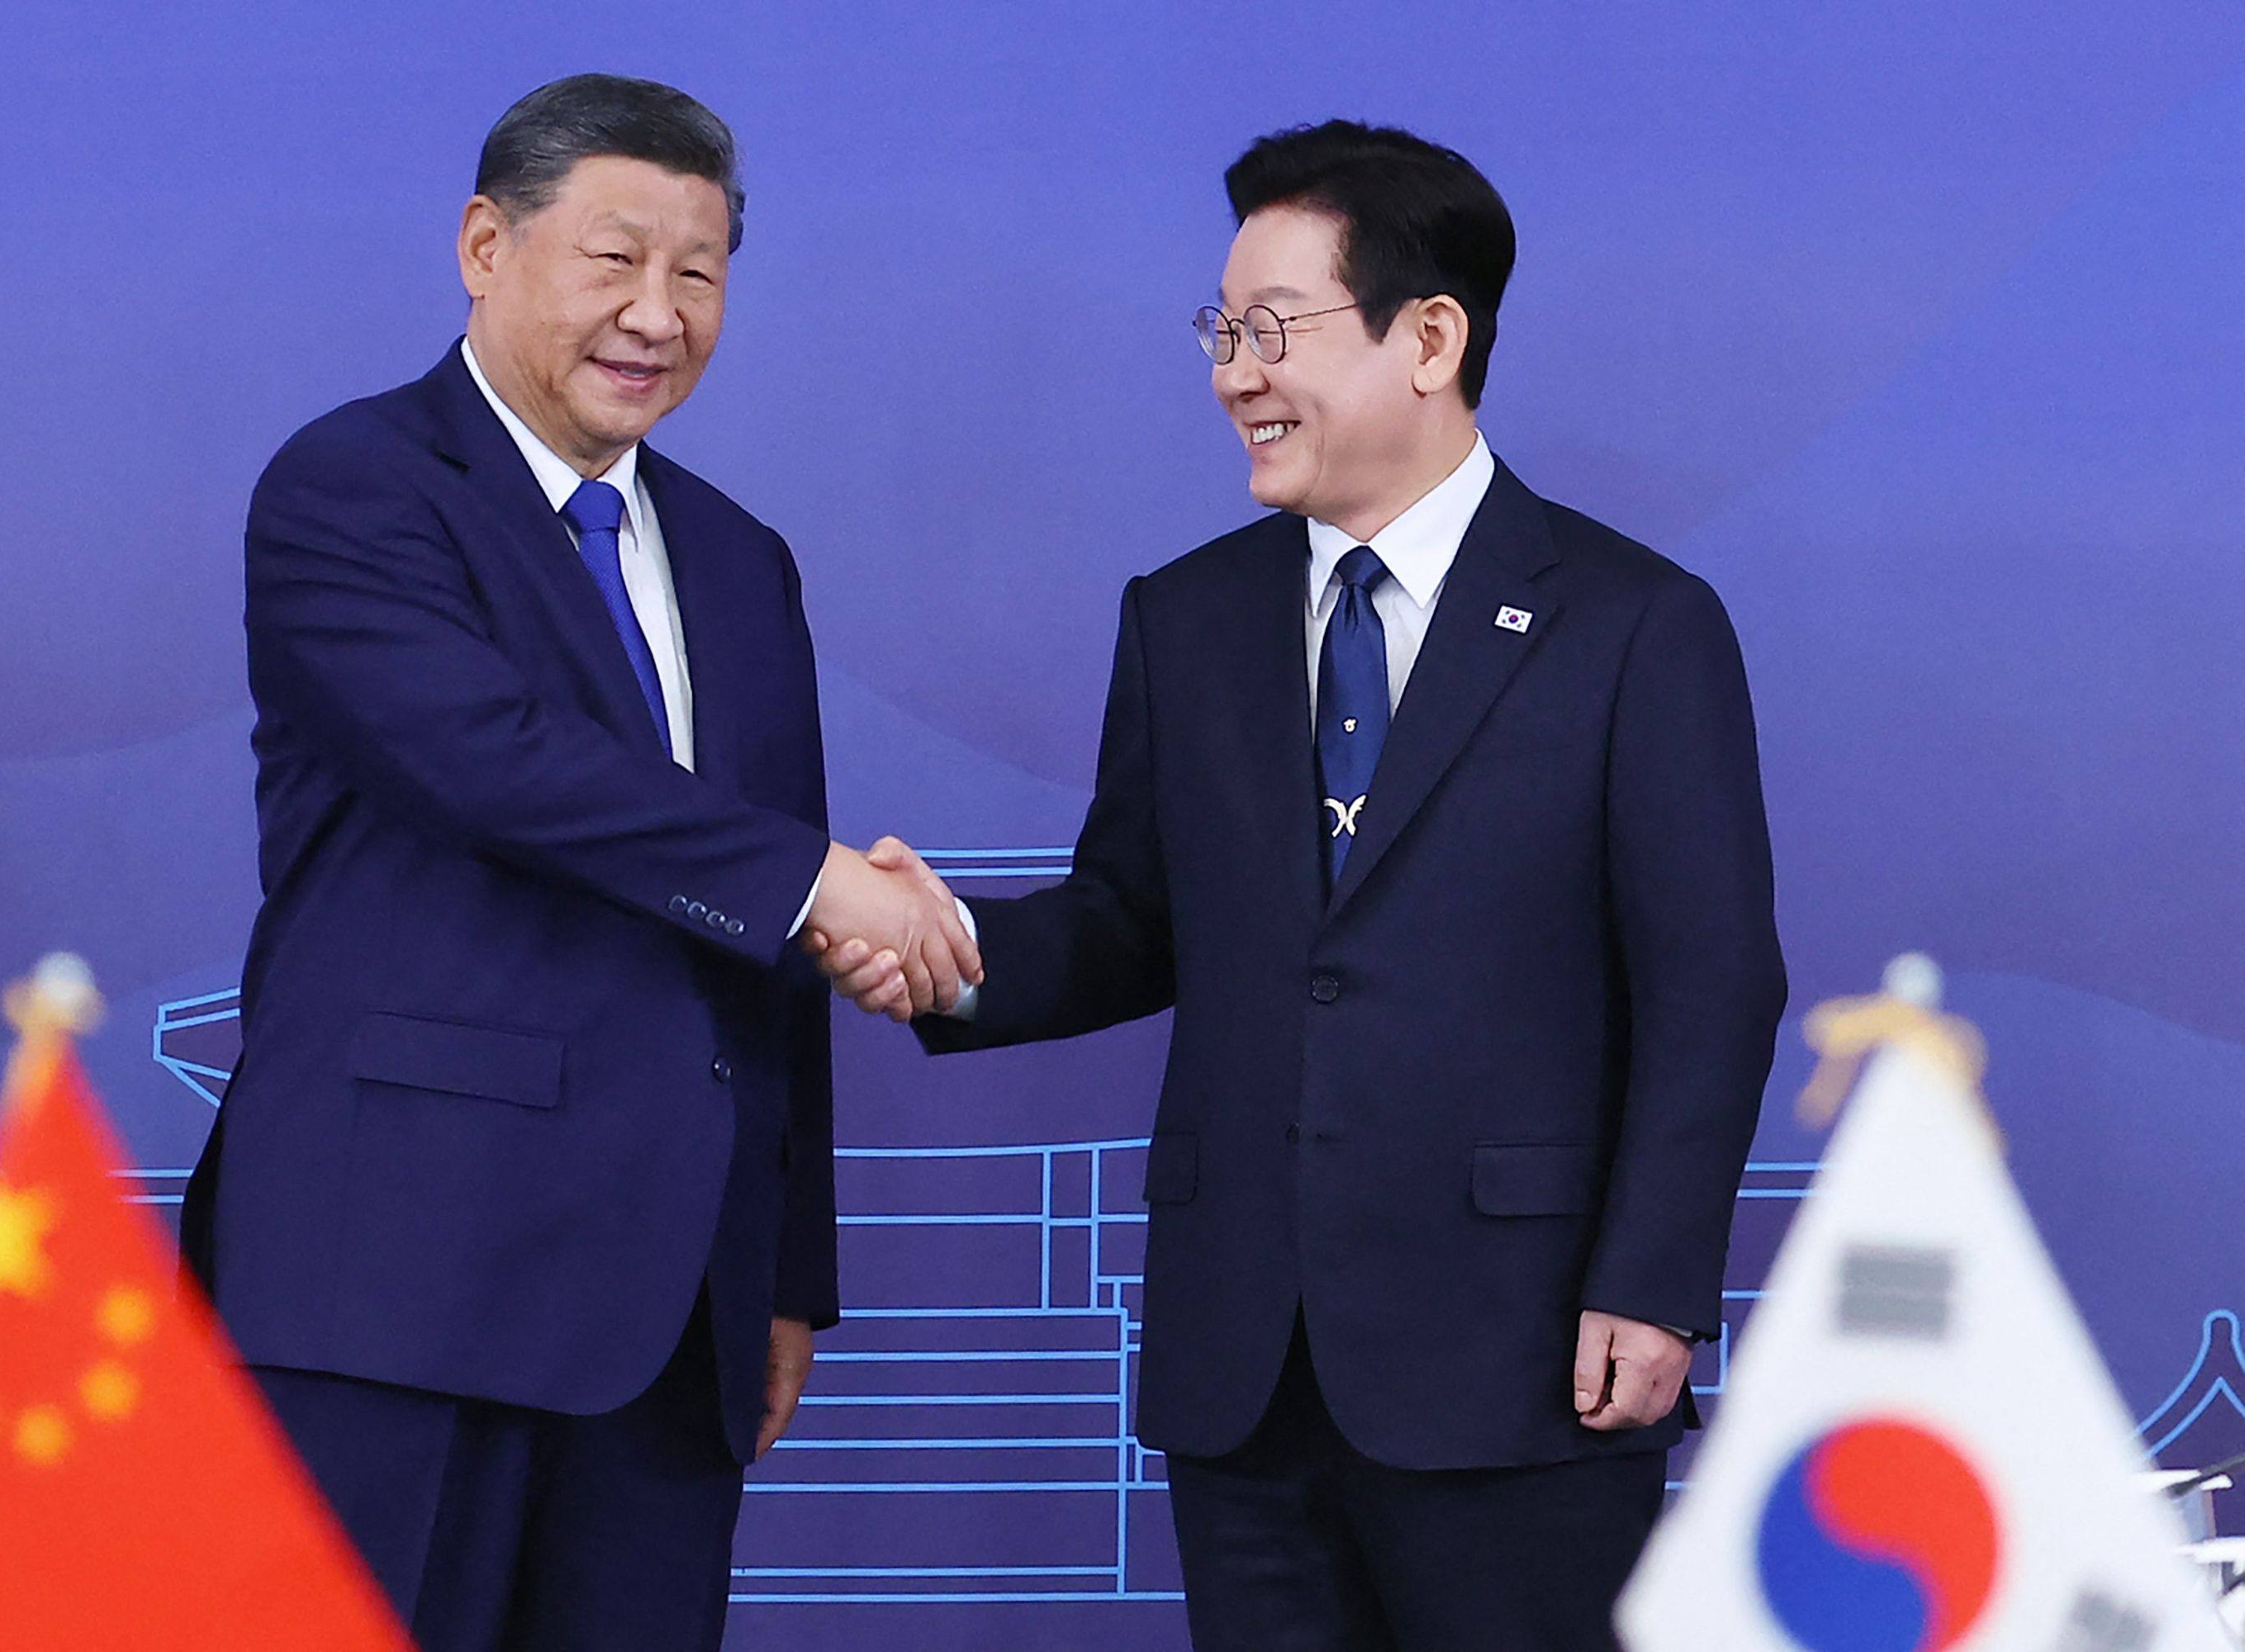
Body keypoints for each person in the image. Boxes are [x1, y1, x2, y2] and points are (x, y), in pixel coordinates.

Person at [814, 120, 1785, 1650]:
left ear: (1431, 338)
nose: (1231, 375)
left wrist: (1655, 1286)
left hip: (1521, 1359)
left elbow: (1712, 983)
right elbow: (1134, 915)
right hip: (1244, 1360)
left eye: (1273, 332)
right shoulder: (1188, 619)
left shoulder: (1634, 626)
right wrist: (944, 952)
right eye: (1221, 332)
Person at [178, 73, 978, 1652]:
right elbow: (504, 769)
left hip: (671, 1322)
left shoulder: (741, 563)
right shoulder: (357, 490)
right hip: (396, 1287)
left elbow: (767, 951)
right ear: (486, 247)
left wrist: (783, 1271)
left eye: (699, 272)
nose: (657, 314)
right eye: (613, 260)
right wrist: (826, 883)